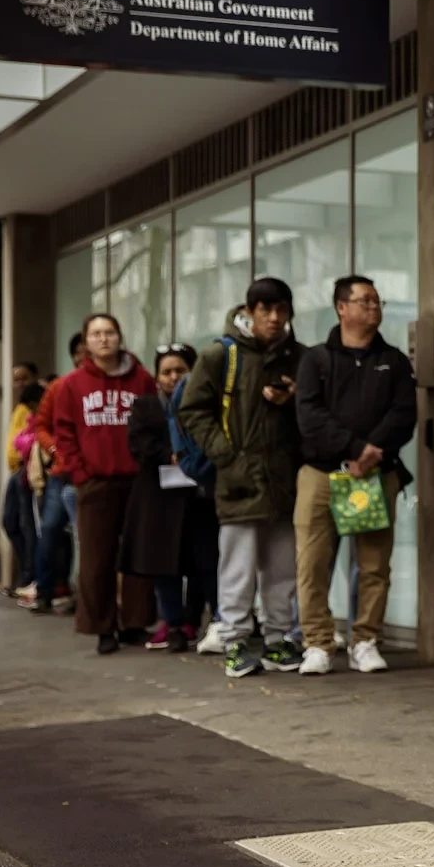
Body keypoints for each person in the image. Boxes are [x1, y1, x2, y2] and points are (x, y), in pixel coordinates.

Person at [292, 275, 418, 676]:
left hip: (376, 475)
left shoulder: (394, 361)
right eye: (365, 301)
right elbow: (309, 416)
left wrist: (371, 453)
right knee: (312, 562)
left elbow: (404, 415)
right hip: (322, 475)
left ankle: (366, 639)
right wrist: (353, 449)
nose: (374, 308)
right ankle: (318, 643)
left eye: (377, 301)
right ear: (341, 307)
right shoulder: (316, 360)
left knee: (374, 564)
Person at [179, 282, 307, 677]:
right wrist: (224, 452)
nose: (274, 318)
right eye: (266, 309)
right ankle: (233, 642)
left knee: (283, 568)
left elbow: (314, 409)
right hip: (239, 479)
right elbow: (192, 409)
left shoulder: (298, 356)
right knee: (236, 567)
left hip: (284, 479)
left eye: (281, 310)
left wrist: (294, 399)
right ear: (249, 310)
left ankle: (278, 640)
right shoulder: (221, 355)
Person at [50, 313, 159, 654]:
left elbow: (154, 423)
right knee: (97, 558)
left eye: (110, 332)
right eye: (96, 334)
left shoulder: (141, 379)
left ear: (120, 336)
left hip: (136, 480)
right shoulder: (71, 385)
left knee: (139, 555)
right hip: (95, 482)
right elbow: (64, 432)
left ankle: (136, 623)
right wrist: (79, 472)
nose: (104, 339)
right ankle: (102, 628)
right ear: (86, 342)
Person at [120, 345, 219, 652]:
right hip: (158, 500)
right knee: (165, 565)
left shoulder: (205, 404)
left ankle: (208, 621)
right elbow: (139, 446)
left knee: (205, 562)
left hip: (199, 496)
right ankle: (174, 624)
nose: (173, 377)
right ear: (157, 375)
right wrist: (171, 455)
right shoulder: (146, 407)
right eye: (166, 371)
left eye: (181, 370)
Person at [30, 336, 83, 615]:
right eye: (78, 352)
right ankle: (45, 590)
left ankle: (84, 594)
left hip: (90, 474)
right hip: (62, 473)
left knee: (85, 537)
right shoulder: (59, 386)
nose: (84, 356)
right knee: (50, 530)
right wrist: (55, 449)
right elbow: (41, 425)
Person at [2, 368, 42, 605]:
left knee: (28, 526)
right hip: (16, 470)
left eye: (24, 378)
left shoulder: (34, 409)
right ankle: (27, 573)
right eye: (15, 379)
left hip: (26, 470)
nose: (19, 383)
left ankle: (29, 576)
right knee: (10, 522)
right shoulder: (21, 408)